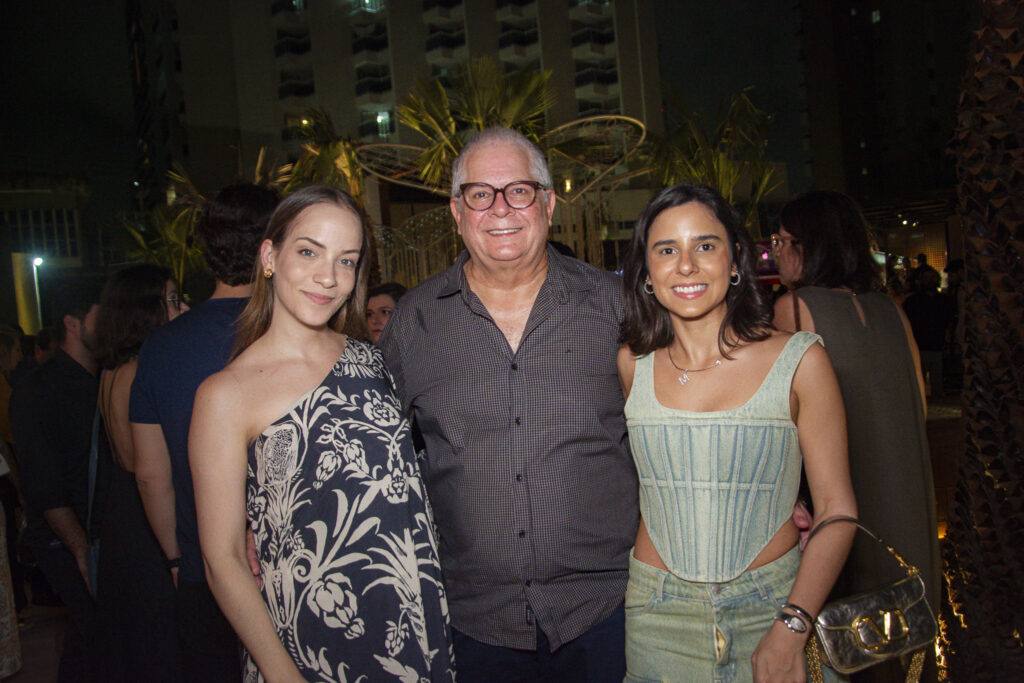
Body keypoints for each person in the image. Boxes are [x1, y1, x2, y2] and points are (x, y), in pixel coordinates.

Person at [380, 127, 638, 682]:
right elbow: (375, 458)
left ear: (547, 203)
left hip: (605, 613)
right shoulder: (414, 324)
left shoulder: (614, 308)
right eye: (480, 193)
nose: (500, 208)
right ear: (456, 211)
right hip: (474, 624)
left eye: (519, 190)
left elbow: (674, 427)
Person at [191, 186, 453, 682]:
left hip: (413, 630)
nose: (328, 277)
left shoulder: (377, 361)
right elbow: (221, 559)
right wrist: (282, 673)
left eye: (347, 261)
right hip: (307, 641)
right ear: (269, 255)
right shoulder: (225, 395)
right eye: (309, 251)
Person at [617, 183, 856, 681]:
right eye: (667, 250)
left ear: (734, 261)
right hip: (658, 615)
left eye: (705, 245)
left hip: (775, 605)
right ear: (647, 272)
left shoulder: (800, 359)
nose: (686, 265)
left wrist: (793, 624)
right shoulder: (631, 365)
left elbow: (837, 511)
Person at [772, 190, 941, 682]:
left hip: (844, 511)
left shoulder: (795, 309)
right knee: (906, 638)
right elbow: (921, 407)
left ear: (810, 245)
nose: (776, 251)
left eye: (783, 240)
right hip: (908, 505)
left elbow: (780, 426)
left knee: (848, 644)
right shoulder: (892, 310)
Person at [130, 183, 279, 682]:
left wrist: (177, 559)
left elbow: (151, 476)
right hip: (292, 573)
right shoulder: (291, 334)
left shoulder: (159, 348)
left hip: (202, 572)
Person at [93, 264, 187, 681]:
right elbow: (149, 472)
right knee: (159, 641)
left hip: (122, 513)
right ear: (143, 309)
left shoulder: (113, 368)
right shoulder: (139, 371)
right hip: (145, 517)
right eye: (170, 299)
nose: (182, 305)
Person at [9, 288, 103, 682]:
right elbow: (45, 485)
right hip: (63, 539)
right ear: (73, 323)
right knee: (95, 634)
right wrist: (80, 549)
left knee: (91, 640)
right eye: (103, 315)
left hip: (91, 534)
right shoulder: (40, 388)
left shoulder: (98, 378)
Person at [902, 269, 953, 398]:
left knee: (938, 383)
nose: (931, 280)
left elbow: (950, 321)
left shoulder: (945, 301)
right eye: (927, 278)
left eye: (933, 277)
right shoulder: (913, 301)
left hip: (938, 345)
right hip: (920, 345)